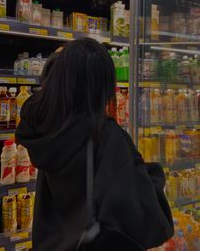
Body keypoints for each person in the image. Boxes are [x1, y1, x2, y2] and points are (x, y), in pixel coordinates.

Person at [16, 38, 174, 251]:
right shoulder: (105, 135)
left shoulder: (48, 129)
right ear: (103, 85)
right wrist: (152, 177)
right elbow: (146, 225)